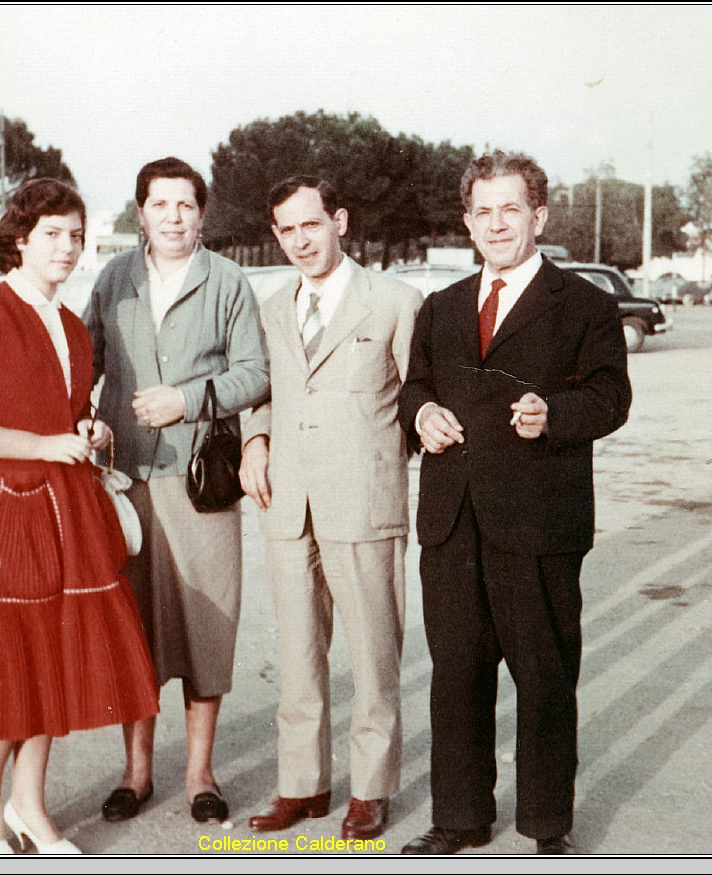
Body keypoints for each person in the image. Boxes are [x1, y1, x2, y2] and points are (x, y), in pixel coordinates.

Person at [0, 178, 160, 855]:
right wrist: (45, 444)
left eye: (77, 235)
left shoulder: (74, 327)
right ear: (19, 239)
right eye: (53, 233)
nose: (68, 247)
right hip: (1, 510)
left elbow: (63, 411)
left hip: (65, 505)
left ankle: (30, 801)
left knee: (51, 651)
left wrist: (84, 430)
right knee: (12, 661)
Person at [397, 151, 632, 855]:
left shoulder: (584, 304)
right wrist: (423, 414)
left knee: (544, 676)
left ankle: (547, 824)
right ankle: (460, 817)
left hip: (538, 522)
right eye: (482, 211)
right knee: (456, 675)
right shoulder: (440, 306)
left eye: (511, 209)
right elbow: (413, 385)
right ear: (467, 221)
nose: (496, 224)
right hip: (453, 520)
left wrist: (554, 413)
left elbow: (611, 395)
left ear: (539, 216)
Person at [84, 157, 269, 824]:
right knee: (132, 627)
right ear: (142, 213)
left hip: (202, 483)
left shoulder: (228, 281)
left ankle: (199, 772)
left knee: (205, 628)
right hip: (126, 481)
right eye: (159, 205)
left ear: (202, 213)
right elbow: (86, 358)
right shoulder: (114, 278)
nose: (172, 217)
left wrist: (187, 400)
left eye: (185, 205)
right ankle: (136, 771)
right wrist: (84, 414)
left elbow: (255, 373)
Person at [239, 176, 422, 841]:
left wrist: (380, 461)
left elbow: (417, 397)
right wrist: (255, 438)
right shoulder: (272, 307)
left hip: (364, 504)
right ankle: (302, 783)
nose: (299, 241)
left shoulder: (397, 302)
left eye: (310, 225)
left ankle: (371, 789)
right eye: (286, 230)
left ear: (338, 220)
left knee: (375, 655)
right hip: (287, 504)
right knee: (297, 654)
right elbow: (262, 389)